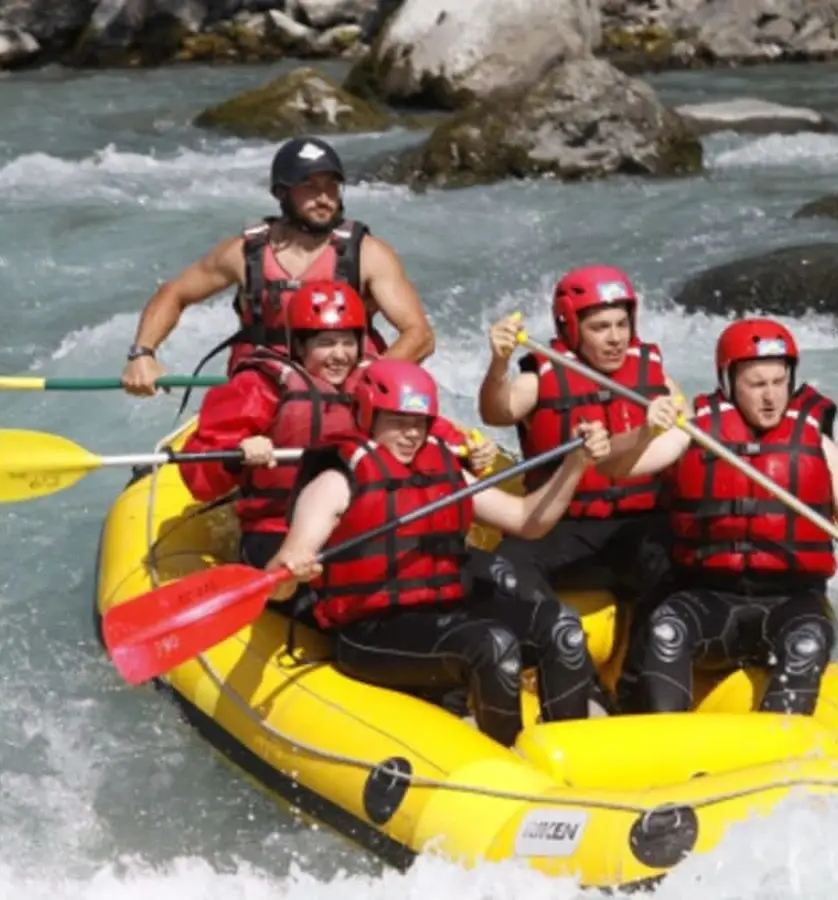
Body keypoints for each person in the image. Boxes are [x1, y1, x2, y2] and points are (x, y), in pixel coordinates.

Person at [266, 359, 611, 748]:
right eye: (398, 420)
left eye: (420, 422)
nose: (412, 434)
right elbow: (279, 577)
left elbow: (527, 519)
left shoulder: (442, 468)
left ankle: (572, 751)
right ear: (369, 413)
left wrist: (575, 465)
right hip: (369, 631)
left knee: (562, 628)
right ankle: (507, 760)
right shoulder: (335, 482)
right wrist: (294, 570)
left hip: (445, 616)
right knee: (492, 645)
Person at [601, 318, 838, 717]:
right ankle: (667, 744)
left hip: (792, 604)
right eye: (757, 384)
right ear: (730, 385)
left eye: (779, 382)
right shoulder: (693, 432)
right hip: (710, 599)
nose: (770, 397)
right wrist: (646, 431)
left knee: (807, 643)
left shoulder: (817, 446)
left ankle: (786, 754)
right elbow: (617, 469)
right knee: (665, 629)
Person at [177, 281, 496, 570]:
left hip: (364, 527)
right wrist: (236, 454)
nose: (339, 355)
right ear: (300, 347)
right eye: (326, 343)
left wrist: (472, 456)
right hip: (280, 533)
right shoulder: (259, 387)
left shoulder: (377, 383)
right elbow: (199, 476)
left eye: (348, 343)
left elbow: (436, 438)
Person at [121, 135, 435, 397]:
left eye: (331, 186)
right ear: (282, 193)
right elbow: (174, 294)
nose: (324, 198)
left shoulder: (369, 254)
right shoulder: (244, 252)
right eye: (310, 187)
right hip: (265, 386)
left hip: (344, 386)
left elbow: (419, 335)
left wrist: (368, 379)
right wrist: (142, 354)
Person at [477, 264, 681, 613]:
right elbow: (496, 412)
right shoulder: (540, 377)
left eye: (622, 324)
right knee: (507, 567)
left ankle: (646, 660)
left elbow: (691, 432)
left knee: (681, 559)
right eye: (600, 328)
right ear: (570, 328)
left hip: (639, 528)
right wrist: (499, 363)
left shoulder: (655, 376)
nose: (616, 338)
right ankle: (554, 642)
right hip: (563, 527)